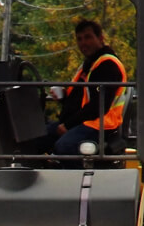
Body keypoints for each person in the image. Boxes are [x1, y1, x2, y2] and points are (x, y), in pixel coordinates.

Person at [46, 19, 127, 157]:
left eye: (88, 37)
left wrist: (68, 125)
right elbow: (80, 99)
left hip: (100, 125)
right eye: (79, 39)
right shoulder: (88, 65)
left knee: (65, 146)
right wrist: (63, 96)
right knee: (35, 136)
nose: (83, 42)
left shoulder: (107, 65)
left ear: (100, 38)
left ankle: (72, 171)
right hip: (83, 121)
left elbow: (98, 106)